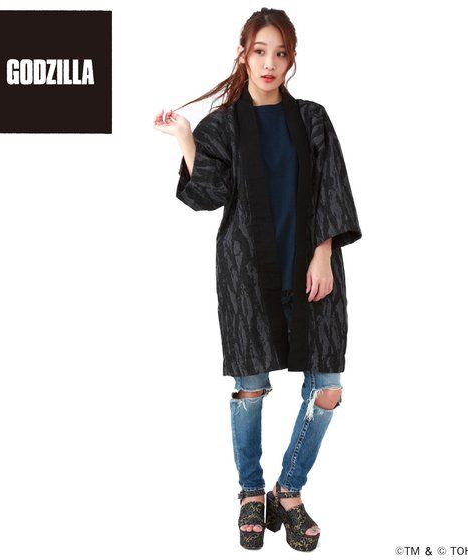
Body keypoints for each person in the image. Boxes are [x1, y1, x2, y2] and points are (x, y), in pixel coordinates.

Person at [153, 7, 362, 552]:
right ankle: (251, 493)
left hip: (312, 269)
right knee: (250, 388)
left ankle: (286, 491)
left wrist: (323, 254)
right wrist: (185, 138)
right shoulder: (222, 125)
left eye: (280, 53)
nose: (269, 63)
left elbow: (332, 188)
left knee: (327, 388)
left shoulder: (312, 118)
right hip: (246, 273)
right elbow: (207, 195)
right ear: (243, 54)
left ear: (291, 60)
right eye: (260, 51)